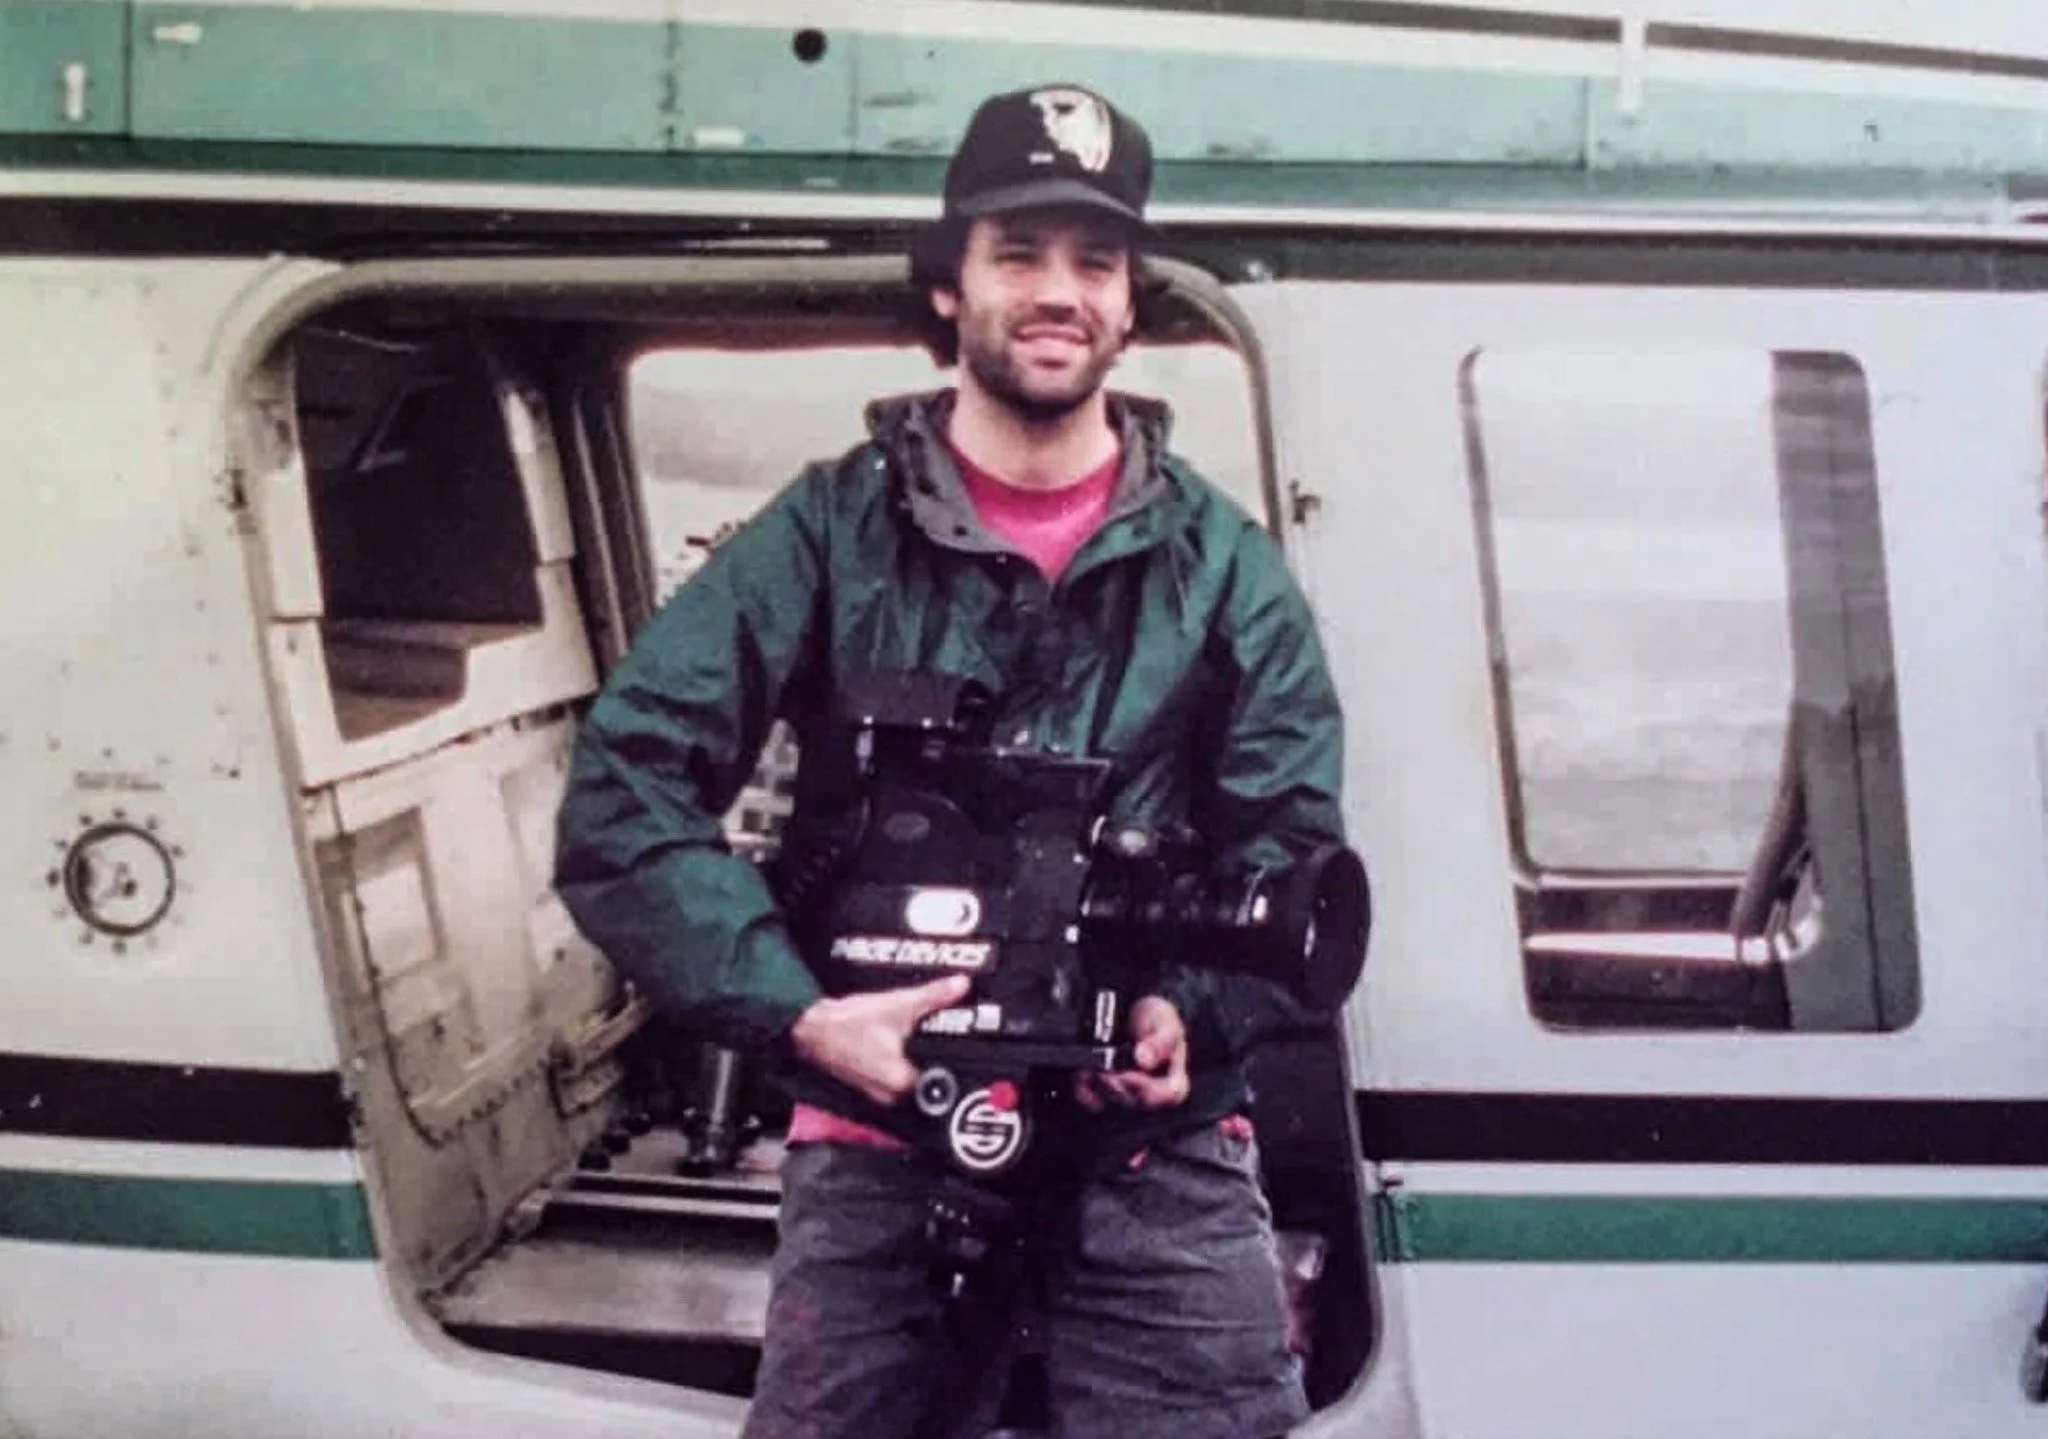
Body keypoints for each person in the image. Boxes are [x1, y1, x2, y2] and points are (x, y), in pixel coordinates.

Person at [555, 83, 1347, 1439]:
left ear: (1128, 298)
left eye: (1095, 261)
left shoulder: (1229, 572)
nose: (1060, 292)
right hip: (881, 1136)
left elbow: (1290, 834)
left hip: (1151, 1148)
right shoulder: (822, 534)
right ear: (949, 287)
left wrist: (1190, 1014)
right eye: (1020, 254)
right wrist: (802, 1015)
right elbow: (622, 794)